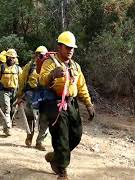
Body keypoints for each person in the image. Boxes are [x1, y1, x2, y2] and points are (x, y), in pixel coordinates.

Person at [39, 31, 95, 180]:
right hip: (55, 105)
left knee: (76, 135)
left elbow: (81, 86)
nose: (70, 50)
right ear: (59, 47)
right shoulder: (50, 63)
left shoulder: (76, 66)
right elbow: (42, 80)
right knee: (62, 137)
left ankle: (56, 156)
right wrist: (52, 75)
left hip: (72, 104)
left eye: (72, 48)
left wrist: (88, 104)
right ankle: (62, 171)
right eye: (67, 47)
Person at [17, 45, 50, 151]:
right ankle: (29, 135)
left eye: (42, 55)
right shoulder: (29, 66)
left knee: (45, 118)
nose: (40, 56)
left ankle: (40, 142)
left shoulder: (50, 66)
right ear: (35, 55)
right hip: (31, 93)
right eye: (38, 54)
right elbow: (22, 80)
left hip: (45, 94)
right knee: (31, 116)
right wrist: (19, 94)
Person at [0, 49, 22, 136]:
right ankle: (7, 128)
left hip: (15, 92)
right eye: (10, 57)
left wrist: (21, 94)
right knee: (6, 109)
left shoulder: (18, 69)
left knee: (13, 110)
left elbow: (22, 82)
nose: (11, 59)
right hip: (3, 92)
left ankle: (9, 123)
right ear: (7, 57)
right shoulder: (0, 68)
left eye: (13, 58)